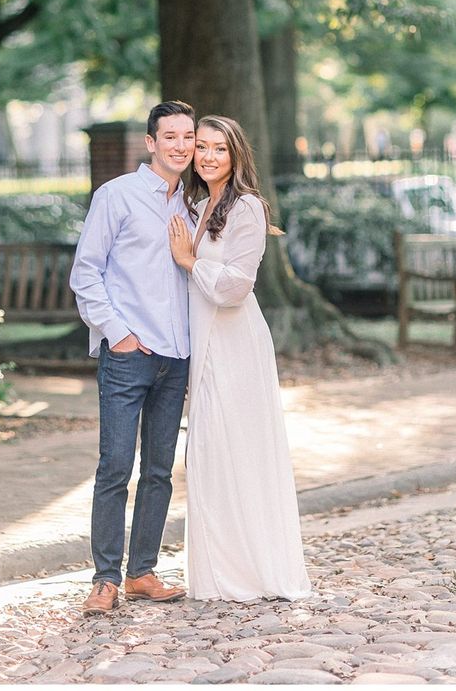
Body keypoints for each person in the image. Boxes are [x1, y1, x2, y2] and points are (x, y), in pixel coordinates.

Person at [168, 115, 311, 602]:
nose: (208, 156)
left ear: (236, 156)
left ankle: (252, 572)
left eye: (219, 149)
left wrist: (189, 261)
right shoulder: (201, 204)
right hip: (206, 344)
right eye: (201, 147)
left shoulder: (246, 207)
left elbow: (234, 287)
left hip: (235, 345)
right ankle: (219, 573)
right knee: (210, 455)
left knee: (239, 453)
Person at [70, 100, 196, 615]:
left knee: (160, 470)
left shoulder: (197, 201)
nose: (181, 146)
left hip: (179, 355)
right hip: (129, 356)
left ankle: (142, 572)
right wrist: (118, 334)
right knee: (116, 467)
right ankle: (105, 579)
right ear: (151, 142)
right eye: (171, 136)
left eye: (189, 136)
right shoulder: (116, 196)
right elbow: (86, 272)